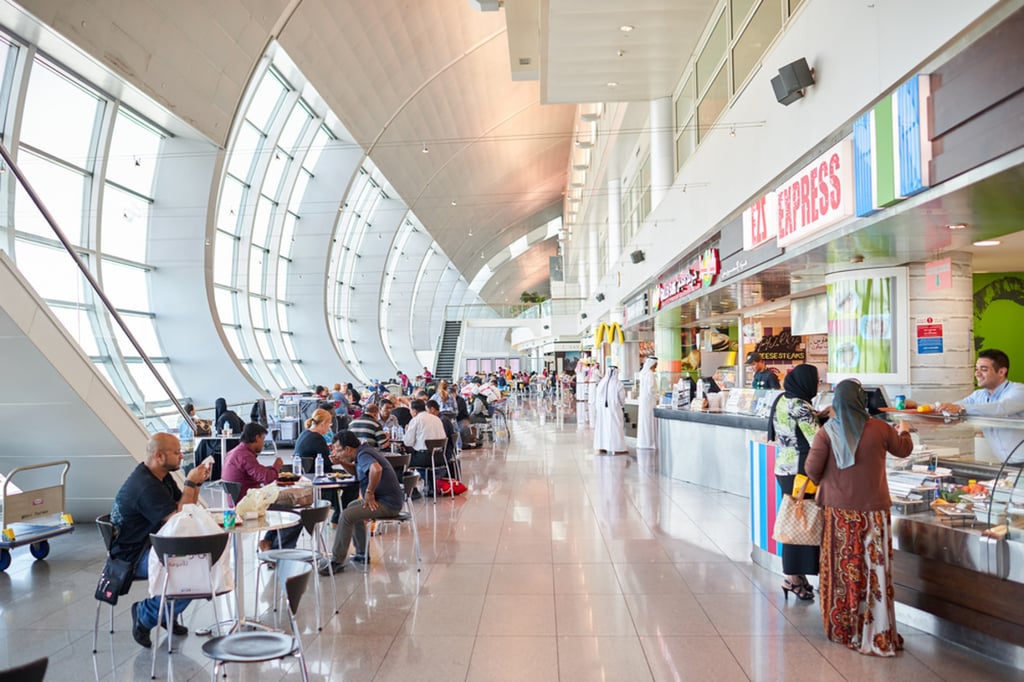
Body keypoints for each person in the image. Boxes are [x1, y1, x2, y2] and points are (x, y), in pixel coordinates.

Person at [805, 379, 913, 656]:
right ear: (860, 400)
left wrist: (831, 481)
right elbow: (903, 450)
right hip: (874, 512)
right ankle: (876, 629)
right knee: (873, 570)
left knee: (843, 570)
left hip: (840, 514)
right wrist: (906, 430)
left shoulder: (827, 432)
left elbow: (812, 469)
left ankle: (844, 627)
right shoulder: (880, 428)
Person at [111, 433, 212, 648]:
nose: (181, 456)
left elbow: (186, 511)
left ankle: (166, 613)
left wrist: (195, 485)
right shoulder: (145, 487)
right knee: (192, 574)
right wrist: (191, 482)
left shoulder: (160, 477)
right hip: (133, 557)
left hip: (155, 544)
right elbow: (178, 520)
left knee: (199, 564)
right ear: (159, 455)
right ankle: (145, 613)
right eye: (176, 452)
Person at [767, 364, 823, 601]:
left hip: (784, 467)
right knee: (801, 522)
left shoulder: (782, 399)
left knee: (794, 517)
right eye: (817, 381)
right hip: (801, 469)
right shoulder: (802, 406)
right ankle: (793, 578)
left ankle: (795, 575)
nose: (817, 385)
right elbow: (817, 438)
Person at [320, 431, 405, 574]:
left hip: (388, 504)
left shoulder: (363, 455)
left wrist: (369, 492)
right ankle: (362, 553)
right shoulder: (363, 452)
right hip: (388, 500)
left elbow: (376, 469)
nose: (336, 453)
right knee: (352, 507)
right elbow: (357, 472)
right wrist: (341, 462)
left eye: (338, 450)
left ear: (347, 449)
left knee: (347, 515)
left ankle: (336, 560)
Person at [937, 349, 1024, 462]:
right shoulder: (978, 395)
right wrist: (936, 408)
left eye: (984, 369)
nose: (977, 373)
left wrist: (961, 409)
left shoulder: (1018, 390)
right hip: (1006, 463)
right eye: (976, 369)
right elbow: (957, 405)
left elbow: (1000, 408)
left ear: (1001, 372)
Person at [221, 423, 282, 499]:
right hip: (248, 501)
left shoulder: (233, 452)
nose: (263, 444)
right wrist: (277, 466)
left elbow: (256, 473)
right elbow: (268, 479)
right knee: (295, 495)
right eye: (263, 439)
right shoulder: (245, 456)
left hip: (238, 499)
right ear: (257, 438)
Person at [593, 366, 627, 453]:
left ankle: (601, 447)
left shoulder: (602, 383)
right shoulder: (618, 384)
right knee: (615, 427)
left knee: (603, 427)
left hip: (602, 410)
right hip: (614, 410)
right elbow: (622, 398)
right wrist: (622, 405)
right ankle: (617, 448)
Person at [636, 357, 659, 449]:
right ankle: (649, 442)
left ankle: (644, 442)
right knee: (648, 421)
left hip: (644, 401)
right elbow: (651, 389)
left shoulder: (644, 373)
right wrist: (658, 397)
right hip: (649, 401)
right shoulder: (649, 374)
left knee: (645, 421)